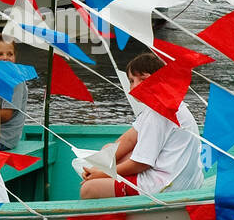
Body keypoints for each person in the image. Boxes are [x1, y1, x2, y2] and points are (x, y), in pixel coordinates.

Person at [80, 53, 203, 199]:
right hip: (179, 179)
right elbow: (129, 139)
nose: (135, 86)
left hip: (166, 186)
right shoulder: (160, 105)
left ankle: (120, 218)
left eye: (143, 79)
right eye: (132, 81)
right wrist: (99, 165)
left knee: (89, 189)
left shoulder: (159, 113)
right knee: (109, 150)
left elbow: (141, 163)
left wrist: (101, 173)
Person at [0, 35, 28, 151]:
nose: (5, 58)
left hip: (2, 139)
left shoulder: (14, 79)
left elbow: (5, 115)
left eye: (10, 54)